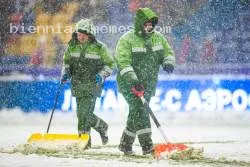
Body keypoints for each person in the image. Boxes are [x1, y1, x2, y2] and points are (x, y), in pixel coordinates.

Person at [115, 8, 175, 155]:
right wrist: (133, 80)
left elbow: (168, 52)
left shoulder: (158, 38)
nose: (149, 26)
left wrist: (168, 62)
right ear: (140, 23)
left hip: (148, 84)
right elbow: (123, 62)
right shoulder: (127, 39)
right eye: (146, 23)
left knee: (135, 113)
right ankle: (147, 146)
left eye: (151, 23)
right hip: (129, 84)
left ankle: (125, 144)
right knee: (141, 111)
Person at [61, 19, 115, 148]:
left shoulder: (100, 47)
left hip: (93, 85)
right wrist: (65, 72)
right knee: (81, 115)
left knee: (84, 115)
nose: (81, 37)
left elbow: (110, 64)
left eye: (83, 35)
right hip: (77, 85)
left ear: (90, 34)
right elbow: (66, 62)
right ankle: (102, 127)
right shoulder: (72, 46)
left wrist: (101, 75)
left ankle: (84, 142)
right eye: (79, 34)